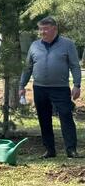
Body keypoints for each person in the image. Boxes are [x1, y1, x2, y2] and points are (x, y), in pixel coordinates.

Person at [19, 17, 81, 159]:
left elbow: (74, 65)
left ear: (54, 29)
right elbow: (27, 67)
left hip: (60, 88)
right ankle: (49, 150)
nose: (42, 32)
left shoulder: (68, 44)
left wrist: (77, 85)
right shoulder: (34, 45)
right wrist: (22, 85)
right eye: (40, 29)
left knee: (66, 117)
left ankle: (71, 150)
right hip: (40, 88)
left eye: (45, 29)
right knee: (44, 118)